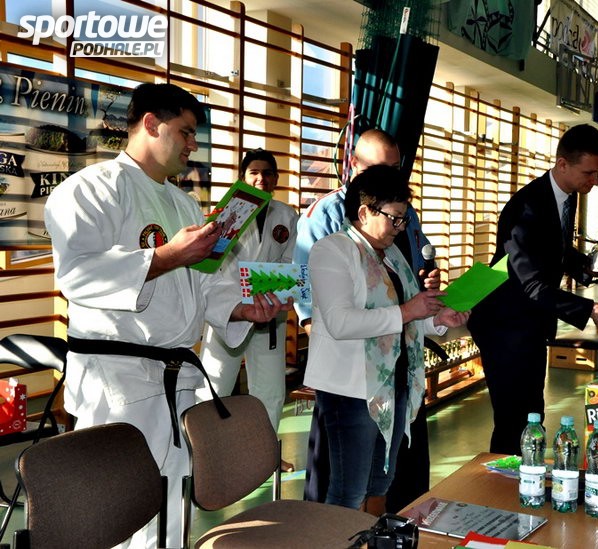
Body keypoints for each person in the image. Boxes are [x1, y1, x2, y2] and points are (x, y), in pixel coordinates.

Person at [44, 83, 292, 549]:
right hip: (118, 380)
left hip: (177, 378)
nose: (193, 144)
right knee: (116, 510)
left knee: (172, 505)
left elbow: (204, 284)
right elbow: (77, 275)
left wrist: (240, 307)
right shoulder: (89, 189)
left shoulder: (185, 204)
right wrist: (165, 256)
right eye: (186, 131)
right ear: (151, 124)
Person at [303, 164, 469, 513]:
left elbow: (404, 317)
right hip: (351, 388)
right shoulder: (333, 250)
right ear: (364, 212)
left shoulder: (391, 254)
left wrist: (438, 319)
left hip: (393, 381)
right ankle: (336, 538)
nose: (401, 227)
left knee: (380, 482)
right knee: (348, 491)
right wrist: (409, 311)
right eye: (394, 218)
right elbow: (340, 322)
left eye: (403, 219)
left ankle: (370, 536)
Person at [467, 123, 598, 455]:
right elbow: (531, 283)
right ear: (562, 164)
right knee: (511, 421)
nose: (594, 180)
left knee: (532, 414)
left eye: (597, 173)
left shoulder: (566, 196)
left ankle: (524, 475)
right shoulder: (525, 209)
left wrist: (584, 265)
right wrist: (590, 310)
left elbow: (555, 249)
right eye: (589, 173)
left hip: (531, 324)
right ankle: (501, 482)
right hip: (504, 326)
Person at [197, 148, 298, 472]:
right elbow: (211, 264)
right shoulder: (227, 213)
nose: (261, 178)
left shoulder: (287, 215)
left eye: (267, 173)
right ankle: (204, 457)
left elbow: (290, 264)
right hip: (228, 311)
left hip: (269, 312)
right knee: (214, 385)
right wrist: (239, 298)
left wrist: (275, 290)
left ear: (276, 178)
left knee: (271, 390)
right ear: (243, 178)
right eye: (254, 172)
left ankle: (265, 456)